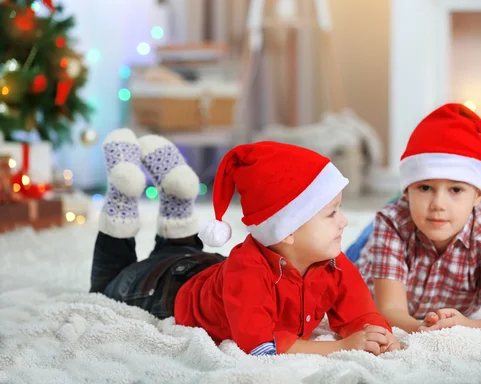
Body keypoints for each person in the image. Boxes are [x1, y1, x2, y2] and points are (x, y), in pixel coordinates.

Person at [90, 129, 400, 356]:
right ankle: (122, 196)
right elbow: (260, 349)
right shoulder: (249, 273)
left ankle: (177, 196)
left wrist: (380, 335)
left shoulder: (332, 262)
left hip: (207, 269)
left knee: (176, 251)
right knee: (106, 284)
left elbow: (360, 313)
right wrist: (340, 347)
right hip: (160, 291)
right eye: (332, 213)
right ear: (288, 230)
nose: (344, 221)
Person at [352, 103, 481, 334]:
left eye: (455, 190)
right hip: (369, 256)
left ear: (478, 196)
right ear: (407, 191)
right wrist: (421, 327)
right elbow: (389, 309)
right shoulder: (392, 222)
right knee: (340, 265)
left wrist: (467, 326)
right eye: (425, 187)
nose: (438, 205)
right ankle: (364, 239)